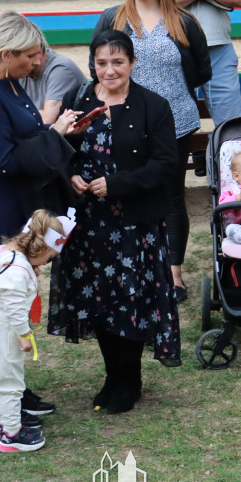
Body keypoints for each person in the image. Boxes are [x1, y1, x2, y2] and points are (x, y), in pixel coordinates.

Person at [49, 30, 182, 414]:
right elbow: (62, 148)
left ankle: (130, 378)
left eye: (117, 62)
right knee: (100, 300)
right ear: (93, 63)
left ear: (132, 63)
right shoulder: (80, 99)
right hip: (90, 223)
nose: (109, 70)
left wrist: (117, 185)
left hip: (133, 223)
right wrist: (70, 173)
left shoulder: (152, 105)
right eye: (102, 63)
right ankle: (111, 376)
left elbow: (165, 164)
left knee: (131, 301)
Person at [0, 11, 77, 433]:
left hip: (21, 204)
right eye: (30, 55)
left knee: (21, 300)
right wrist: (54, 137)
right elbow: (6, 163)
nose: (38, 61)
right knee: (7, 305)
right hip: (0, 211)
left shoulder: (10, 81)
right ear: (6, 54)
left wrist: (53, 132)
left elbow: (26, 137)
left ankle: (13, 391)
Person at [92, 0, 211, 302]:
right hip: (125, 125)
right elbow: (97, 65)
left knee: (171, 197)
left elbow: (201, 70)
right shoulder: (113, 19)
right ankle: (131, 267)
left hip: (175, 123)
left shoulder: (183, 21)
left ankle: (173, 275)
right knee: (127, 191)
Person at [0, 209, 69, 452]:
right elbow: (14, 309)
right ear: (41, 248)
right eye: (49, 256)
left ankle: (4, 425)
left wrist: (30, 268)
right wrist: (24, 336)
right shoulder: (18, 271)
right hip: (6, 332)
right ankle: (12, 434)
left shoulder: (8, 254)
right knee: (10, 383)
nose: (47, 262)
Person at [20, 47, 87, 124]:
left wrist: (15, 111)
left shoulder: (61, 68)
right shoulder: (16, 68)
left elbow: (47, 121)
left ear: (39, 53)